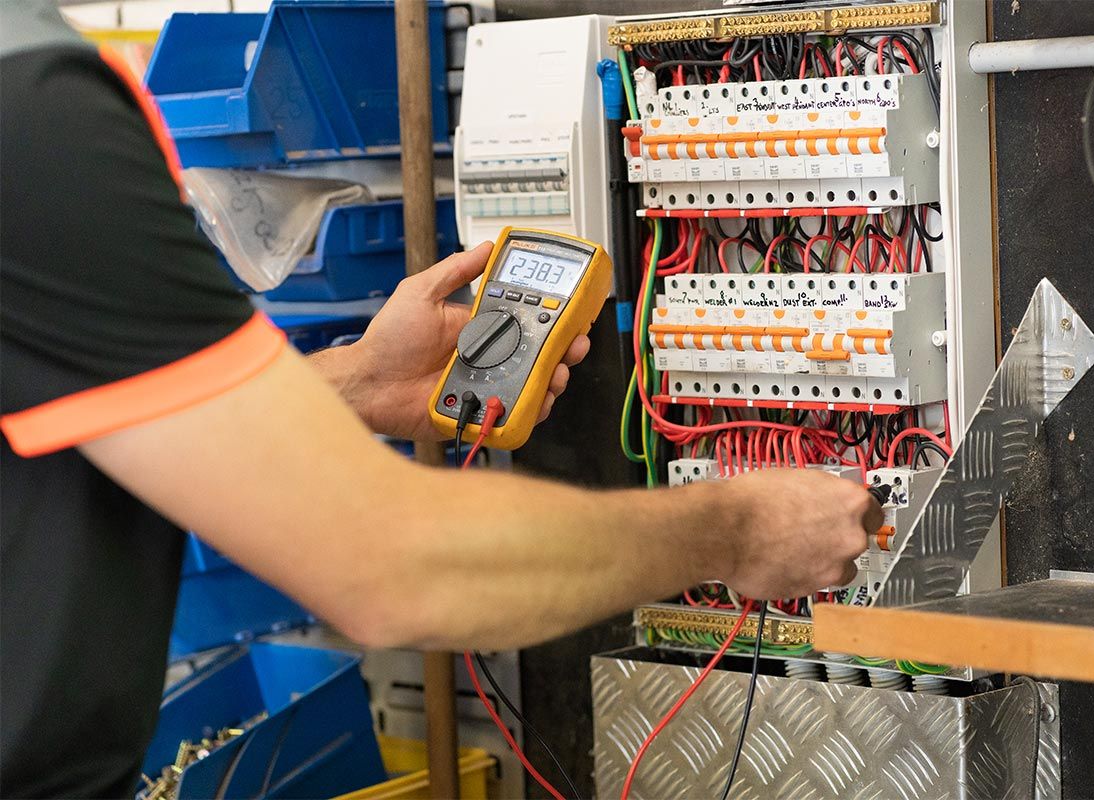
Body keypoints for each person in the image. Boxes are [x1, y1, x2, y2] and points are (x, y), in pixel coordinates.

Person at [0, 2, 880, 796]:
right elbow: (395, 564)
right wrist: (739, 532)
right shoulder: (34, 110)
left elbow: (87, 408)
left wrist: (352, 382)